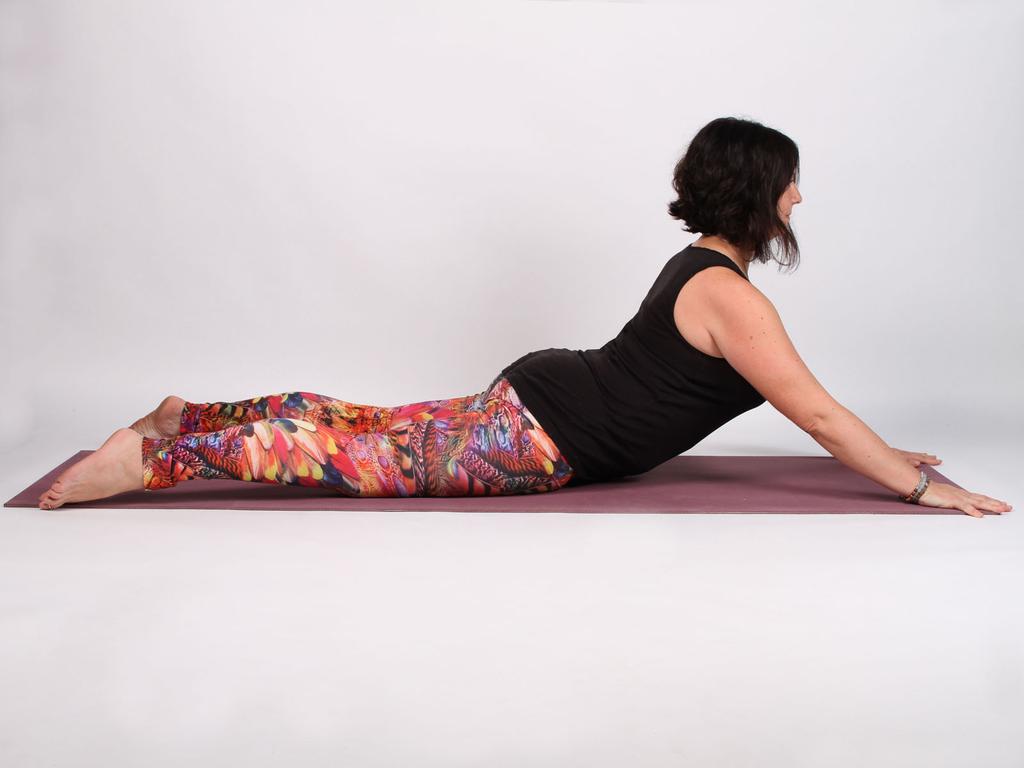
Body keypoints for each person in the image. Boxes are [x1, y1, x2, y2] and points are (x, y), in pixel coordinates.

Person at [37, 116, 1013, 517]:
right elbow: (819, 414)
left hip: (541, 400)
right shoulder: (729, 295)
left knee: (360, 423)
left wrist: (887, 454)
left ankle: (187, 415)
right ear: (762, 193)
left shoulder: (706, 272)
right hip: (538, 435)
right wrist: (920, 489)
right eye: (791, 183)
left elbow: (822, 411)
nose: (800, 197)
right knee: (355, 457)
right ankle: (151, 462)